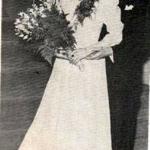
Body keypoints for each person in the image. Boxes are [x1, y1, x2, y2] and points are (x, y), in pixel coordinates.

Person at [18, 0, 123, 150]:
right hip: (64, 64)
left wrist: (88, 50)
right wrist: (60, 49)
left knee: (85, 117)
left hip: (90, 65)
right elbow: (48, 31)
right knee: (58, 115)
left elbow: (116, 34)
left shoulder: (105, 1)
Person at [107, 0, 149, 149]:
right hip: (92, 66)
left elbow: (145, 38)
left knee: (123, 115)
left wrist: (114, 51)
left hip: (126, 66)